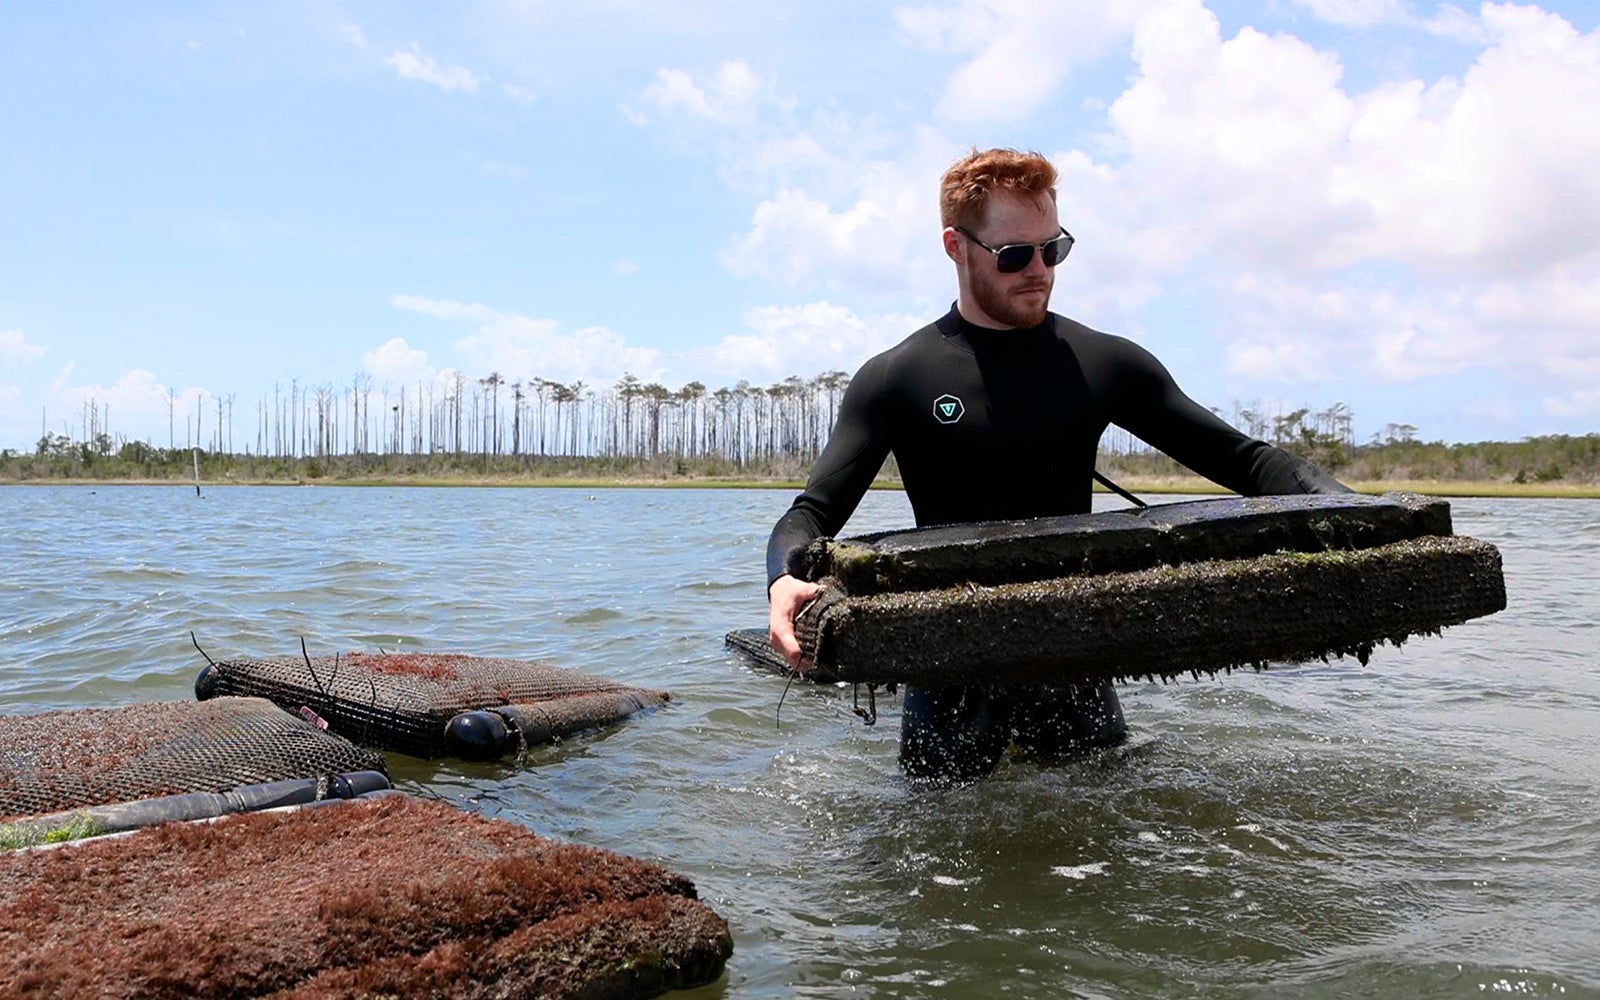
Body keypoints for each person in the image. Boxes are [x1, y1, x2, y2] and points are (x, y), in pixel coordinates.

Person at [765, 148, 1350, 780]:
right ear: (956, 248)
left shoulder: (1101, 364)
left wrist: (1356, 511)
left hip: (1077, 677)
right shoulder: (897, 379)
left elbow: (1252, 463)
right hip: (947, 685)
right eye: (1015, 255)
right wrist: (780, 581)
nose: (1039, 270)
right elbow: (812, 515)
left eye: (1054, 250)